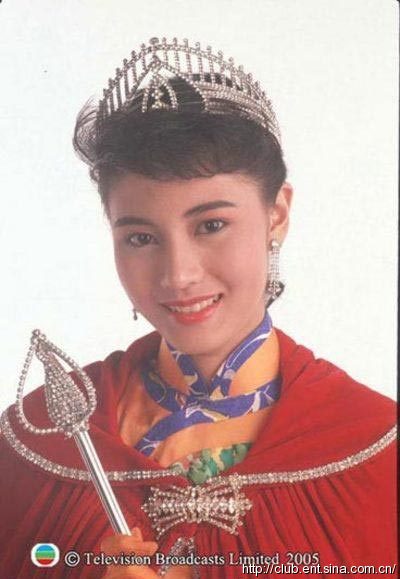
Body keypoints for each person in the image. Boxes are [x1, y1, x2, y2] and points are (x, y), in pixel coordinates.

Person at [0, 37, 396, 579]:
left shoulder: (374, 448)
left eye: (211, 225)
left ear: (277, 214)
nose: (178, 275)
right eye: (141, 238)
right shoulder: (35, 447)